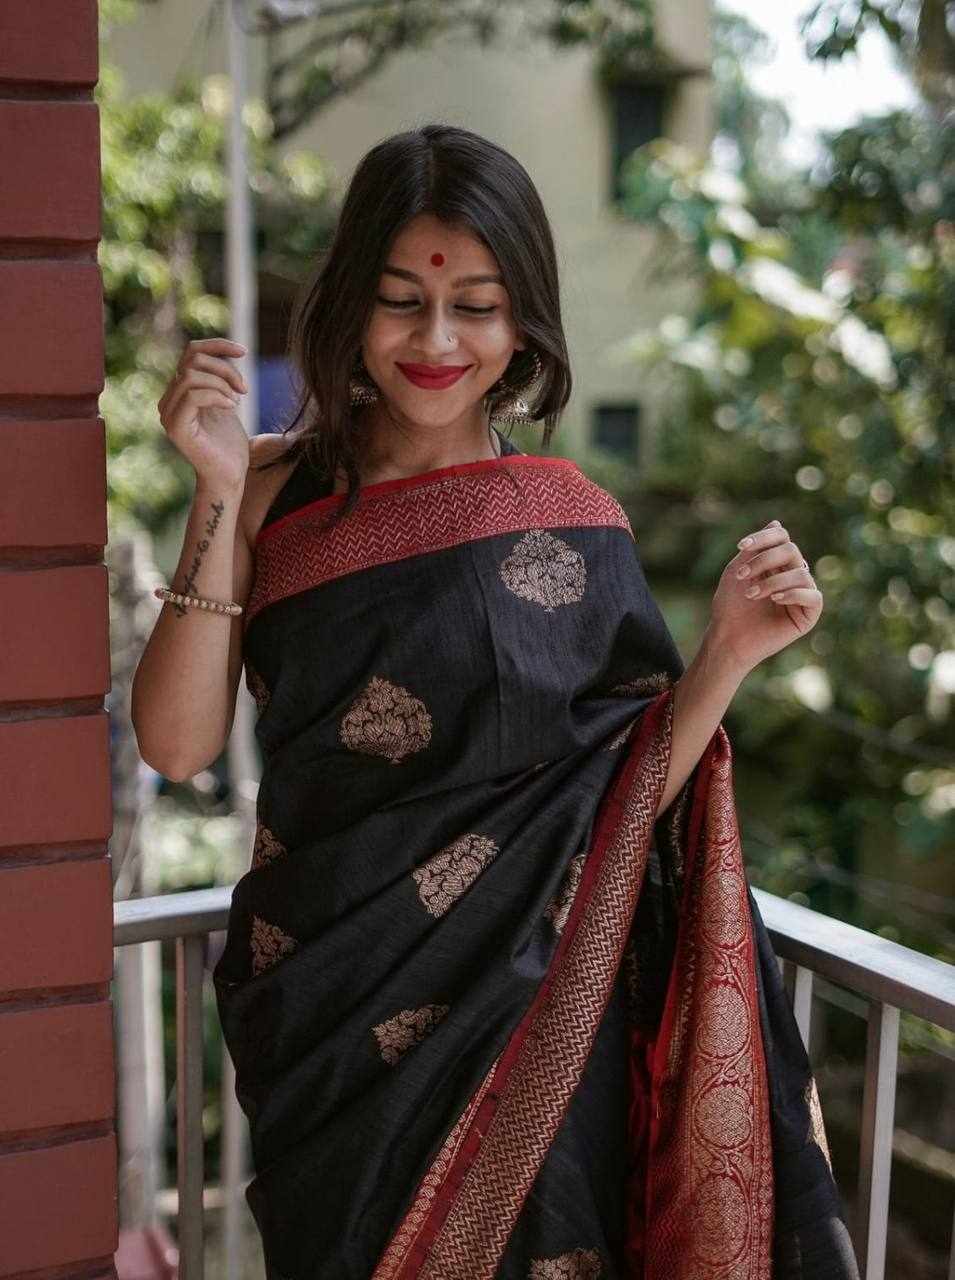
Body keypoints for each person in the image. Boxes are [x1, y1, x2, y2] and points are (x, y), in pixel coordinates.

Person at [131, 123, 860, 1280]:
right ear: (349, 305)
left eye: (475, 305)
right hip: (333, 1014)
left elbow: (620, 796)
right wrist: (214, 487)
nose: (436, 341)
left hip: (539, 1021)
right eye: (401, 301)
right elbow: (175, 744)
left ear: (523, 321)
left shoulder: (570, 519)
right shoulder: (268, 488)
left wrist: (724, 654)